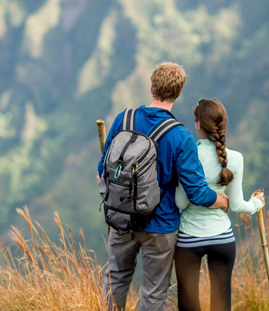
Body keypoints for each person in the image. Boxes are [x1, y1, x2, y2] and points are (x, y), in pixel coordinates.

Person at [96, 62, 230, 311]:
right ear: (178, 94)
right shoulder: (181, 137)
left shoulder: (123, 119)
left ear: (151, 87)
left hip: (121, 219)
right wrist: (224, 201)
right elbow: (197, 193)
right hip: (160, 226)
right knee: (154, 293)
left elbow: (101, 171)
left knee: (116, 279)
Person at [174, 98, 265, 311]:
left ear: (198, 124)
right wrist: (256, 204)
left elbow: (180, 201)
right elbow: (236, 205)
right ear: (223, 124)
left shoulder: (188, 155)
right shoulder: (235, 158)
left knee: (188, 304)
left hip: (189, 239)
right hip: (222, 239)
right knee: (221, 304)